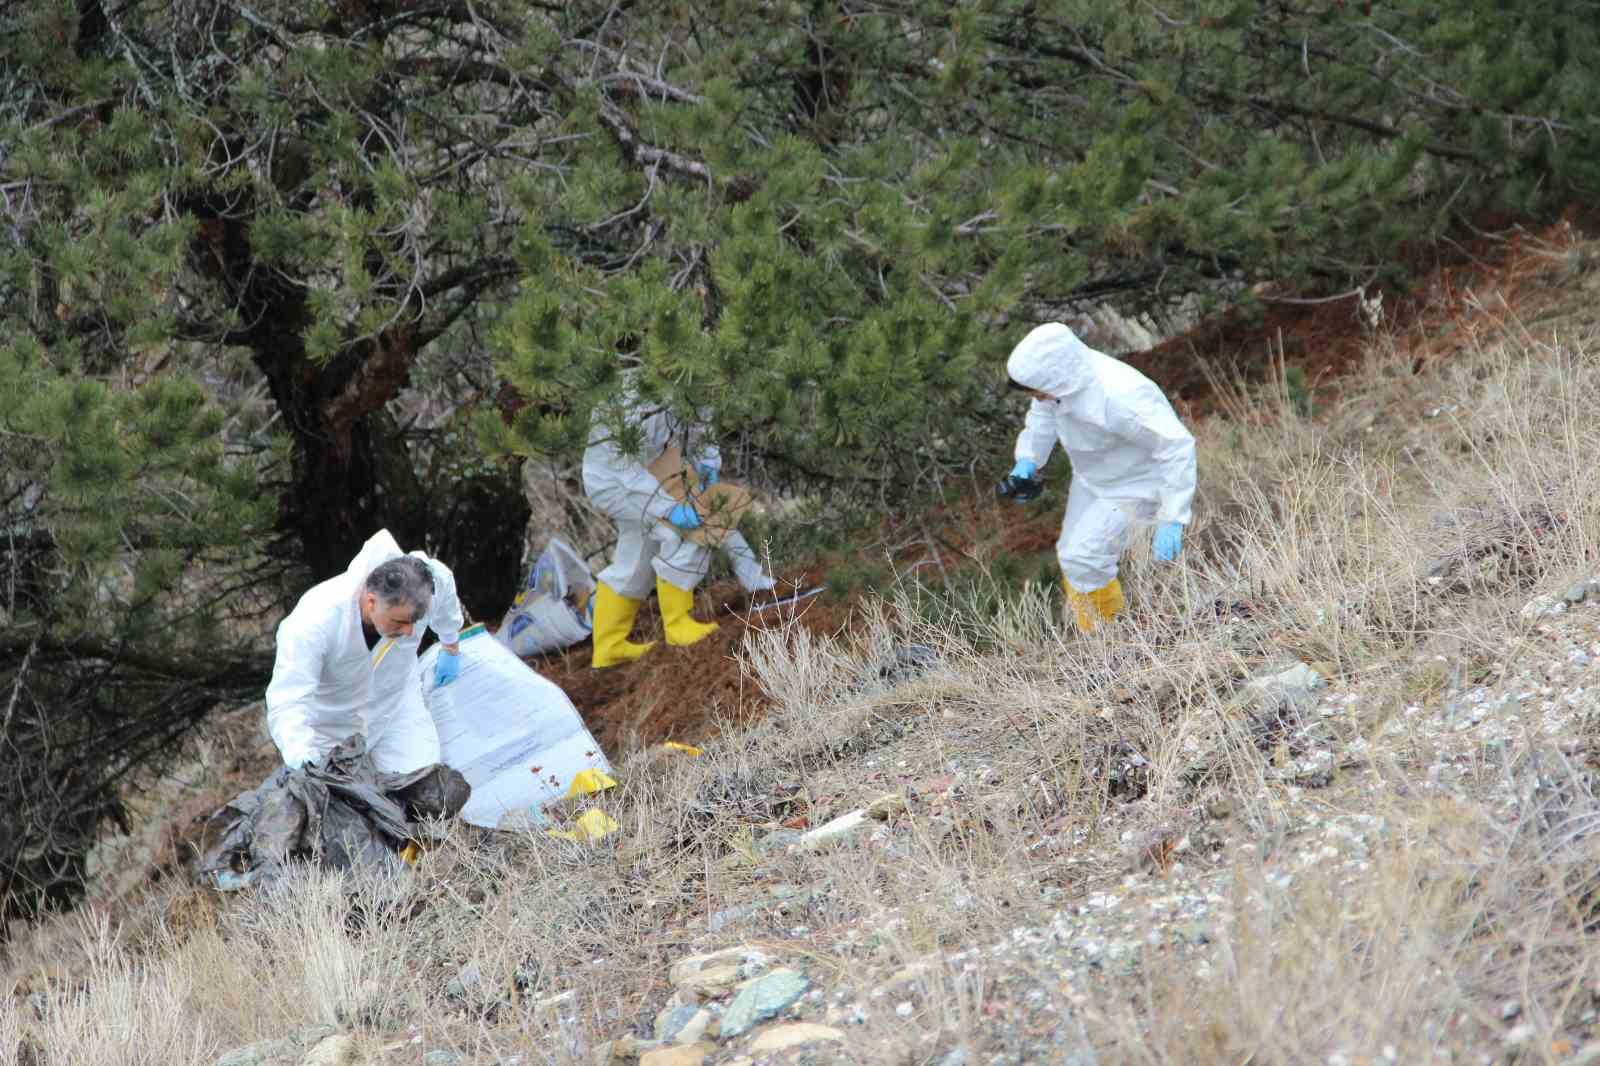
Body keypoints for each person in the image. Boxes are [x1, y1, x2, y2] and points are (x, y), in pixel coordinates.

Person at [997, 322, 1196, 632]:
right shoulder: (1059, 387)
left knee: (1083, 556)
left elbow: (1176, 447)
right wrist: (1027, 461)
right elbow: (1042, 417)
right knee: (1071, 555)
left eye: (1038, 391)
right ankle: (1096, 635)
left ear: (1055, 378)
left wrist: (1173, 516)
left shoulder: (1120, 395)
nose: (1037, 398)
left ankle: (1110, 636)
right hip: (1094, 478)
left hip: (1138, 484)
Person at [582, 388, 777, 668]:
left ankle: (609, 646)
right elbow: (625, 472)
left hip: (653, 468)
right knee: (671, 533)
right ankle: (677, 624)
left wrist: (708, 461)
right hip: (614, 482)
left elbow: (699, 415)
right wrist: (668, 509)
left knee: (636, 556)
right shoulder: (620, 398)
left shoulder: (683, 372)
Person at [265, 529, 466, 772]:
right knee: (341, 804)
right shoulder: (314, 623)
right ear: (371, 602)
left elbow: (445, 591)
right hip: (332, 727)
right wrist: (303, 757)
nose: (409, 632)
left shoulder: (425, 584)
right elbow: (288, 702)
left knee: (422, 788)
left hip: (396, 706)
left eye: (415, 621)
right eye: (400, 622)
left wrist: (450, 644)